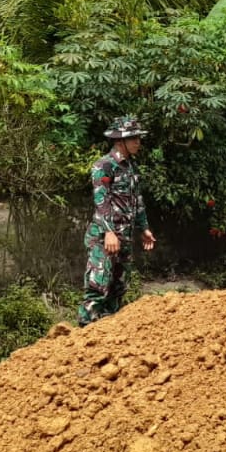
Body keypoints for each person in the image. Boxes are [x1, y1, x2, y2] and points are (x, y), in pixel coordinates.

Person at [77, 116, 156, 326]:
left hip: (124, 239)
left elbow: (137, 200)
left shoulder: (131, 167)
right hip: (104, 238)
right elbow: (101, 201)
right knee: (98, 288)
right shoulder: (103, 166)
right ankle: (82, 339)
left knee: (117, 290)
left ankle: (107, 338)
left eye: (138, 138)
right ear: (120, 141)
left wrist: (144, 228)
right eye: (133, 138)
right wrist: (109, 232)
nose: (138, 142)